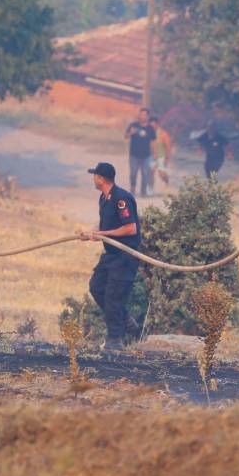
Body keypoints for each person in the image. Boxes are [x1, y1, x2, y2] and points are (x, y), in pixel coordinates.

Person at [78, 162, 141, 351]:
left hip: (125, 255)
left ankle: (115, 340)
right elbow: (104, 224)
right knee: (96, 287)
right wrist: (90, 233)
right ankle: (125, 319)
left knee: (113, 297)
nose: (93, 178)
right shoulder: (104, 198)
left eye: (94, 175)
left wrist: (103, 235)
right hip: (110, 255)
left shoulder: (122, 198)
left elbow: (131, 228)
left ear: (100, 178)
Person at [124, 109, 157, 197]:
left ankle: (143, 192)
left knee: (145, 174)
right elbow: (126, 136)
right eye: (141, 114)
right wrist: (131, 133)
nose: (142, 116)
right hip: (134, 155)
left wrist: (155, 154)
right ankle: (133, 189)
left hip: (146, 155)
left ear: (147, 117)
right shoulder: (133, 125)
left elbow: (153, 142)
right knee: (133, 173)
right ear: (139, 115)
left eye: (144, 115)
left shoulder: (150, 128)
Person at [150, 115, 172, 189]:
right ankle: (151, 189)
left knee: (161, 174)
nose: (152, 127)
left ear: (157, 124)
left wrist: (167, 158)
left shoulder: (163, 134)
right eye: (151, 125)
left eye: (153, 125)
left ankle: (167, 182)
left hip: (161, 156)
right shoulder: (149, 133)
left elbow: (168, 146)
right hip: (151, 156)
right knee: (150, 172)